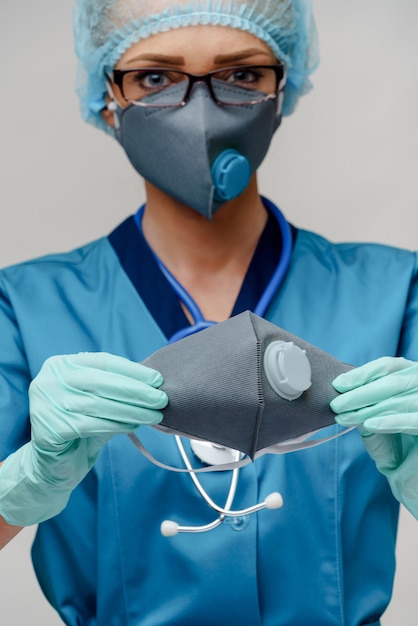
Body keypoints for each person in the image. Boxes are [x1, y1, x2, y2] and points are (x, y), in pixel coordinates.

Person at [1, 1, 418, 624]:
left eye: (242, 76)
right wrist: (28, 481)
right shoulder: (24, 304)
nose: (201, 113)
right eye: (154, 77)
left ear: (284, 90)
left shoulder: (398, 290)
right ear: (107, 97)